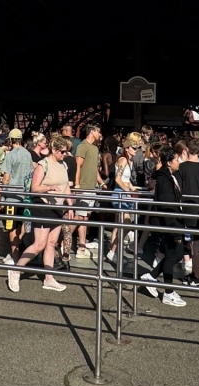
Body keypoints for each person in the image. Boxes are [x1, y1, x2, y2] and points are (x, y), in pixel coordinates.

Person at [8, 135, 72, 293]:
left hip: (57, 207)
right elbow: (35, 188)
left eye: (66, 151)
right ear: (54, 150)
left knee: (52, 243)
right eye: (63, 151)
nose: (65, 154)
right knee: (39, 244)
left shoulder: (63, 165)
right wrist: (49, 188)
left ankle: (49, 278)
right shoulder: (43, 165)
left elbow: (66, 186)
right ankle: (16, 271)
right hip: (43, 206)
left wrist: (70, 205)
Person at [143, 146, 187, 307]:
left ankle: (152, 277)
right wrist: (175, 230)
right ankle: (168, 292)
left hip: (172, 222)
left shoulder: (168, 176)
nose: (179, 162)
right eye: (176, 159)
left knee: (175, 255)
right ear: (169, 162)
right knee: (171, 255)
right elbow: (167, 206)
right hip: (169, 223)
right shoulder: (164, 179)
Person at [176, 138, 199, 287]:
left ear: (187, 150)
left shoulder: (181, 168)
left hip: (186, 207)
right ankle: (196, 274)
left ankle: (196, 276)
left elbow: (177, 187)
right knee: (196, 243)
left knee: (189, 243)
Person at [107, 132, 142, 265]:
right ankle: (113, 251)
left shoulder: (129, 161)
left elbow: (126, 179)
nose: (136, 150)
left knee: (118, 225)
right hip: (121, 194)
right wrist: (128, 190)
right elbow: (118, 179)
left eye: (137, 148)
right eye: (134, 148)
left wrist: (132, 188)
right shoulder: (122, 160)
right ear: (127, 148)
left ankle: (114, 252)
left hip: (125, 193)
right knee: (126, 224)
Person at [0, 130, 34, 264]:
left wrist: (2, 196)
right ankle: (18, 248)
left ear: (10, 140)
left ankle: (14, 255)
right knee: (21, 224)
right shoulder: (28, 154)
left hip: (12, 195)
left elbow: (6, 178)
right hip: (24, 195)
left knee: (11, 227)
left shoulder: (10, 155)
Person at [74, 122, 103, 258]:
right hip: (84, 186)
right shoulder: (82, 146)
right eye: (98, 132)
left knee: (84, 216)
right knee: (79, 216)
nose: (100, 135)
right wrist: (77, 185)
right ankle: (63, 240)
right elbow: (78, 166)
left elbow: (94, 168)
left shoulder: (95, 149)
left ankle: (81, 246)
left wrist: (101, 183)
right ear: (92, 131)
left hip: (92, 187)